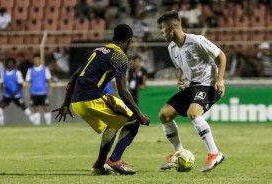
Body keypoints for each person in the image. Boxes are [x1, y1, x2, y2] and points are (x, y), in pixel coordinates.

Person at [52, 24, 150, 175]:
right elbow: (123, 91)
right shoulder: (120, 56)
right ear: (129, 40)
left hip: (77, 102)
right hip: (92, 98)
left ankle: (99, 165)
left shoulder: (97, 50)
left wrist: (66, 104)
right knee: (133, 120)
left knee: (112, 125)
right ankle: (114, 160)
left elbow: (73, 77)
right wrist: (140, 114)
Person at [157, 11, 226, 172]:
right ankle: (178, 153)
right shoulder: (172, 48)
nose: (161, 32)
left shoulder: (197, 40)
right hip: (193, 86)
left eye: (162, 29)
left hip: (209, 84)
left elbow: (221, 56)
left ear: (172, 28)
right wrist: (181, 79)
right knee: (164, 115)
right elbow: (180, 67)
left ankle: (215, 153)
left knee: (193, 113)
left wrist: (220, 80)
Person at [0, 58, 33, 125]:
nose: (10, 64)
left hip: (17, 95)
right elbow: (1, 83)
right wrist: (2, 89)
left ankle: (34, 122)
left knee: (24, 107)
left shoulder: (17, 73)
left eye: (11, 63)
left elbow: (20, 85)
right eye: (8, 63)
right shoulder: (3, 73)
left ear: (14, 64)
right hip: (7, 95)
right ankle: (1, 124)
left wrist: (14, 93)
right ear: (6, 64)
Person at [25, 54, 52, 125]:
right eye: (34, 60)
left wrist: (50, 89)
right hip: (34, 92)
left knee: (46, 108)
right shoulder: (30, 70)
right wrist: (26, 90)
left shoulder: (45, 69)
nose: (36, 61)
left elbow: (49, 80)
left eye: (37, 59)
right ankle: (37, 125)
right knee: (35, 108)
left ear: (40, 60)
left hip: (43, 92)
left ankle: (48, 124)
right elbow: (27, 81)